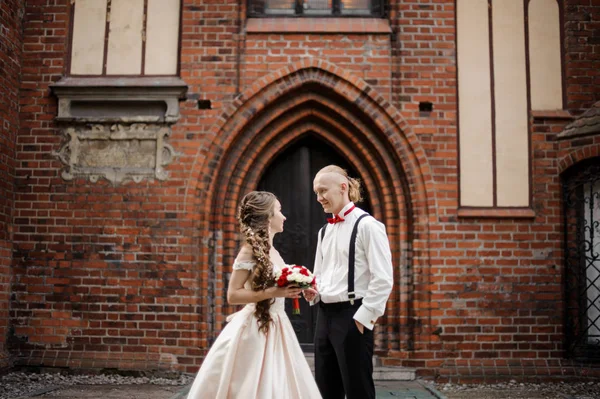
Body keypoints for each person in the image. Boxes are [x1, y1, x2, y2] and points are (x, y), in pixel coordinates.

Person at [187, 191, 322, 399]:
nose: (284, 216)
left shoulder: (272, 251)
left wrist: (300, 288)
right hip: (256, 327)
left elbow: (277, 283)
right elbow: (233, 294)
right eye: (279, 210)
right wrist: (273, 292)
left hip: (278, 324)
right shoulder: (249, 250)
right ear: (268, 216)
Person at [305, 165, 394, 399]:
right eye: (316, 192)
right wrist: (314, 291)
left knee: (358, 390)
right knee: (326, 389)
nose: (319, 198)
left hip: (353, 316)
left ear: (343, 187)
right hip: (324, 318)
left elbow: (383, 278)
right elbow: (321, 274)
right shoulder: (324, 231)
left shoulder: (368, 226)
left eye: (323, 190)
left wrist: (364, 318)